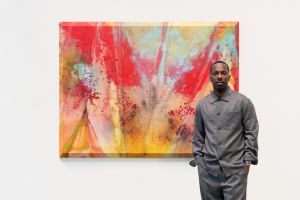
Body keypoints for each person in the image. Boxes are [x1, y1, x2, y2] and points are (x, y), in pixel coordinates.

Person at [189, 60, 259, 200]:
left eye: (223, 73)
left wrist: (248, 160)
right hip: (208, 172)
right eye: (215, 73)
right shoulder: (202, 105)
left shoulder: (243, 102)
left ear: (229, 76)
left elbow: (251, 132)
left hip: (235, 171)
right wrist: (199, 160)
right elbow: (198, 136)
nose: (219, 76)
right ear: (210, 77)